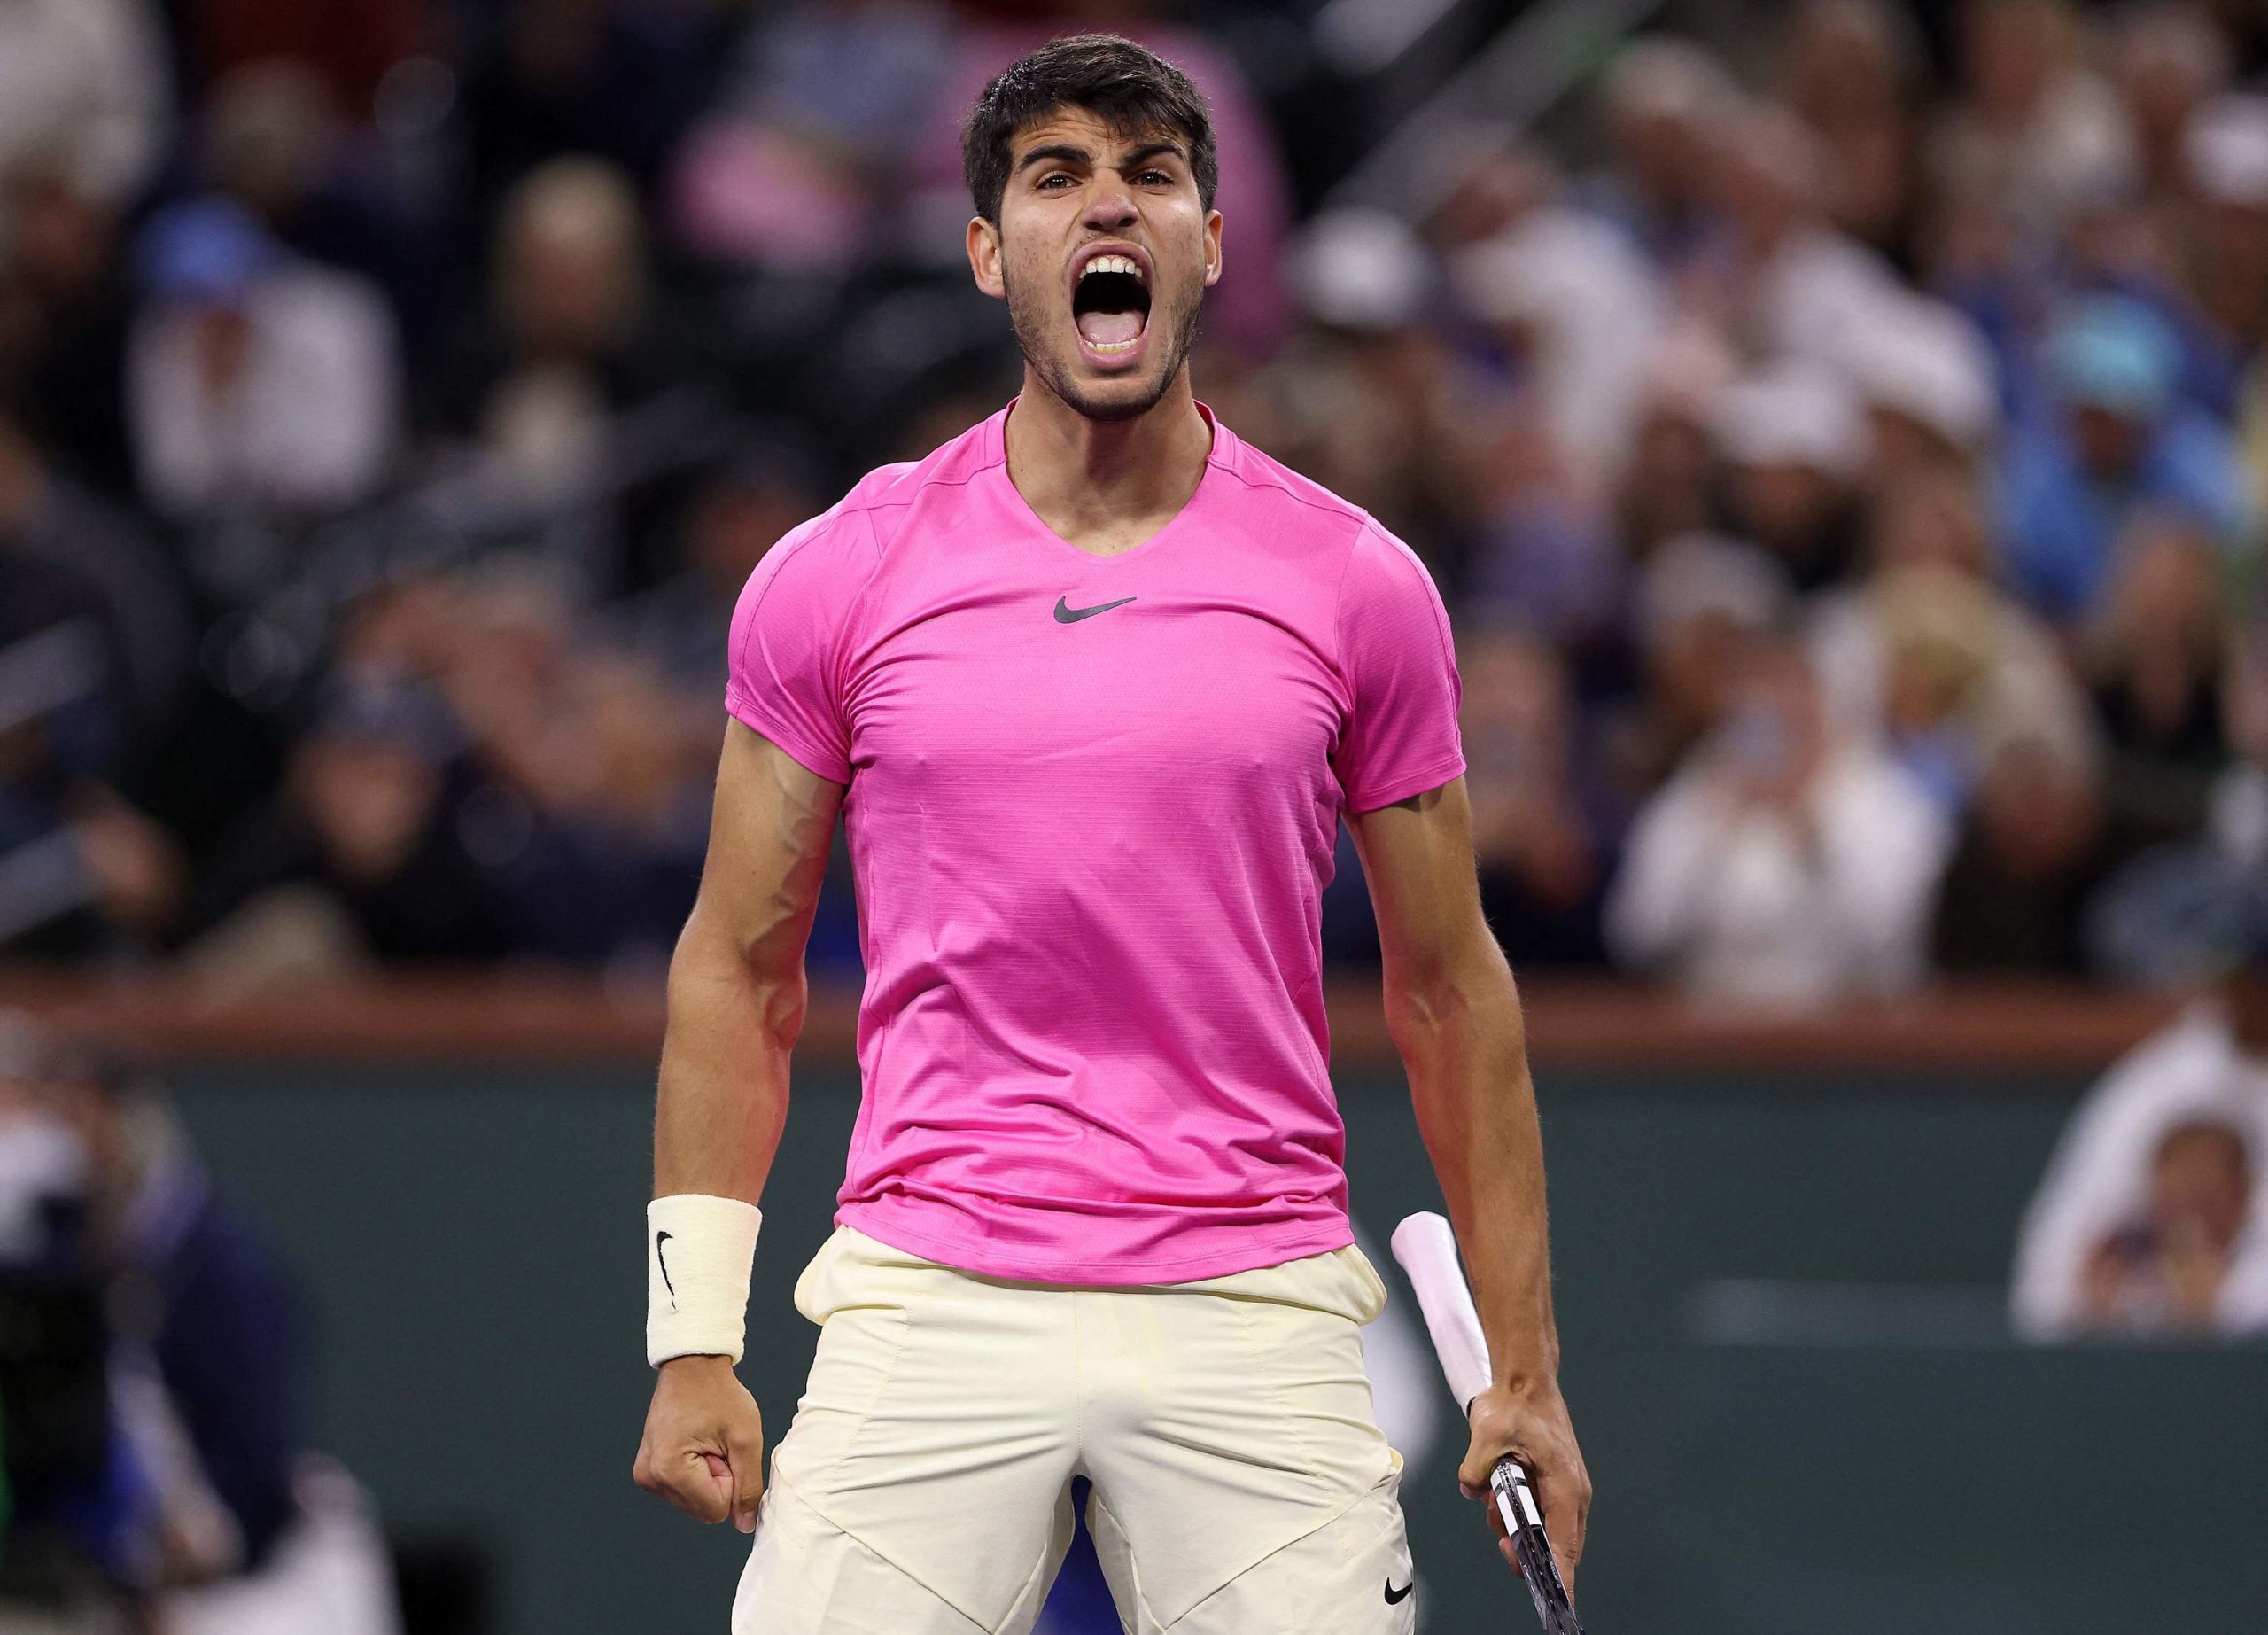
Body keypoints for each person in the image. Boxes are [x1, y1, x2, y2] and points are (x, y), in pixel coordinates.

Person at [630, 35, 1589, 1634]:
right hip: (930, 1289)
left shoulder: (1360, 587)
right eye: (1055, 177)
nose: (1108, 211)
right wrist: (694, 1344)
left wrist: (1530, 1375)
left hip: (1254, 1294)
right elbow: (737, 967)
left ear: (1212, 242)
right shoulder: (838, 574)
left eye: (1152, 176)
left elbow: (1451, 990)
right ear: (987, 249)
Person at [2012, 923, 2268, 1336]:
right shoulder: (2157, 1084)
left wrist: (2225, 1305)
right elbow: (2046, 1290)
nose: (2249, 994)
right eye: (2242, 979)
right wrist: (2121, 1303)